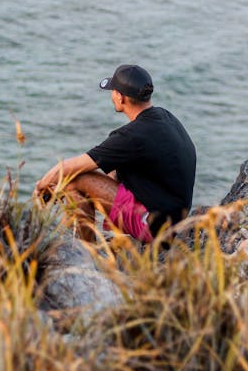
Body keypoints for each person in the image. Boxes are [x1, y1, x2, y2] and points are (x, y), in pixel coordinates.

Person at [34, 64, 196, 242]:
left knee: (75, 179)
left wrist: (42, 188)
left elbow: (67, 167)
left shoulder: (131, 136)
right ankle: (81, 244)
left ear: (120, 97)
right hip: (173, 219)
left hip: (155, 227)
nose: (111, 95)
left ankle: (85, 252)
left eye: (113, 91)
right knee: (83, 183)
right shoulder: (165, 117)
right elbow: (117, 173)